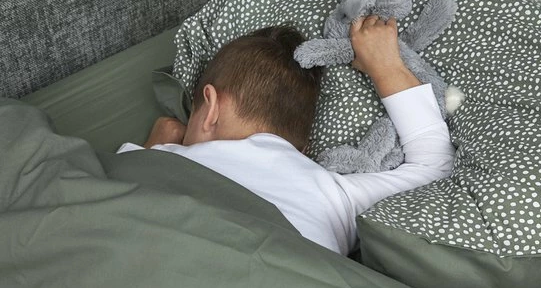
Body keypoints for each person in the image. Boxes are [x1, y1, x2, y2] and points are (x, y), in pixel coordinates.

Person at [118, 21, 455, 255]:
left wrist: (154, 147)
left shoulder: (161, 159)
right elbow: (434, 168)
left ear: (210, 108)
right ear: (302, 150)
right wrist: (386, 64)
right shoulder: (332, 196)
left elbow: (116, 210)